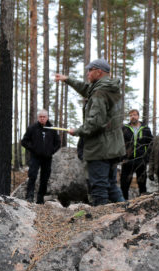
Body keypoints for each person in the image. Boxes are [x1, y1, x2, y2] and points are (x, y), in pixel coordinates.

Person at [54, 59, 125, 206]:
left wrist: (77, 131)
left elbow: (95, 122)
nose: (87, 73)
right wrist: (67, 80)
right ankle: (126, 213)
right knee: (111, 185)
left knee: (98, 188)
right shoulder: (108, 88)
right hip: (113, 147)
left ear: (99, 71)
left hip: (100, 148)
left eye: (90, 70)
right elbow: (86, 89)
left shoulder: (100, 92)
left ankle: (100, 223)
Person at [20, 109, 61, 204]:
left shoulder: (52, 129)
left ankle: (40, 198)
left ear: (47, 117)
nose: (42, 118)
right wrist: (33, 148)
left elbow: (58, 143)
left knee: (45, 178)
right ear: (38, 117)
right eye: (40, 117)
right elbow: (24, 141)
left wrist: (51, 151)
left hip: (47, 158)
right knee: (32, 175)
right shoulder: (32, 128)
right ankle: (29, 196)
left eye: (44, 117)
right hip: (35, 157)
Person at [120, 109, 153, 199]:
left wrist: (146, 157)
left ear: (138, 116)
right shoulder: (124, 129)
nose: (132, 117)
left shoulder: (145, 129)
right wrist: (122, 157)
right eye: (131, 115)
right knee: (124, 185)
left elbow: (151, 144)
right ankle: (123, 203)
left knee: (142, 185)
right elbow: (120, 144)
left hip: (141, 161)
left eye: (134, 115)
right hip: (127, 161)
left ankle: (143, 203)